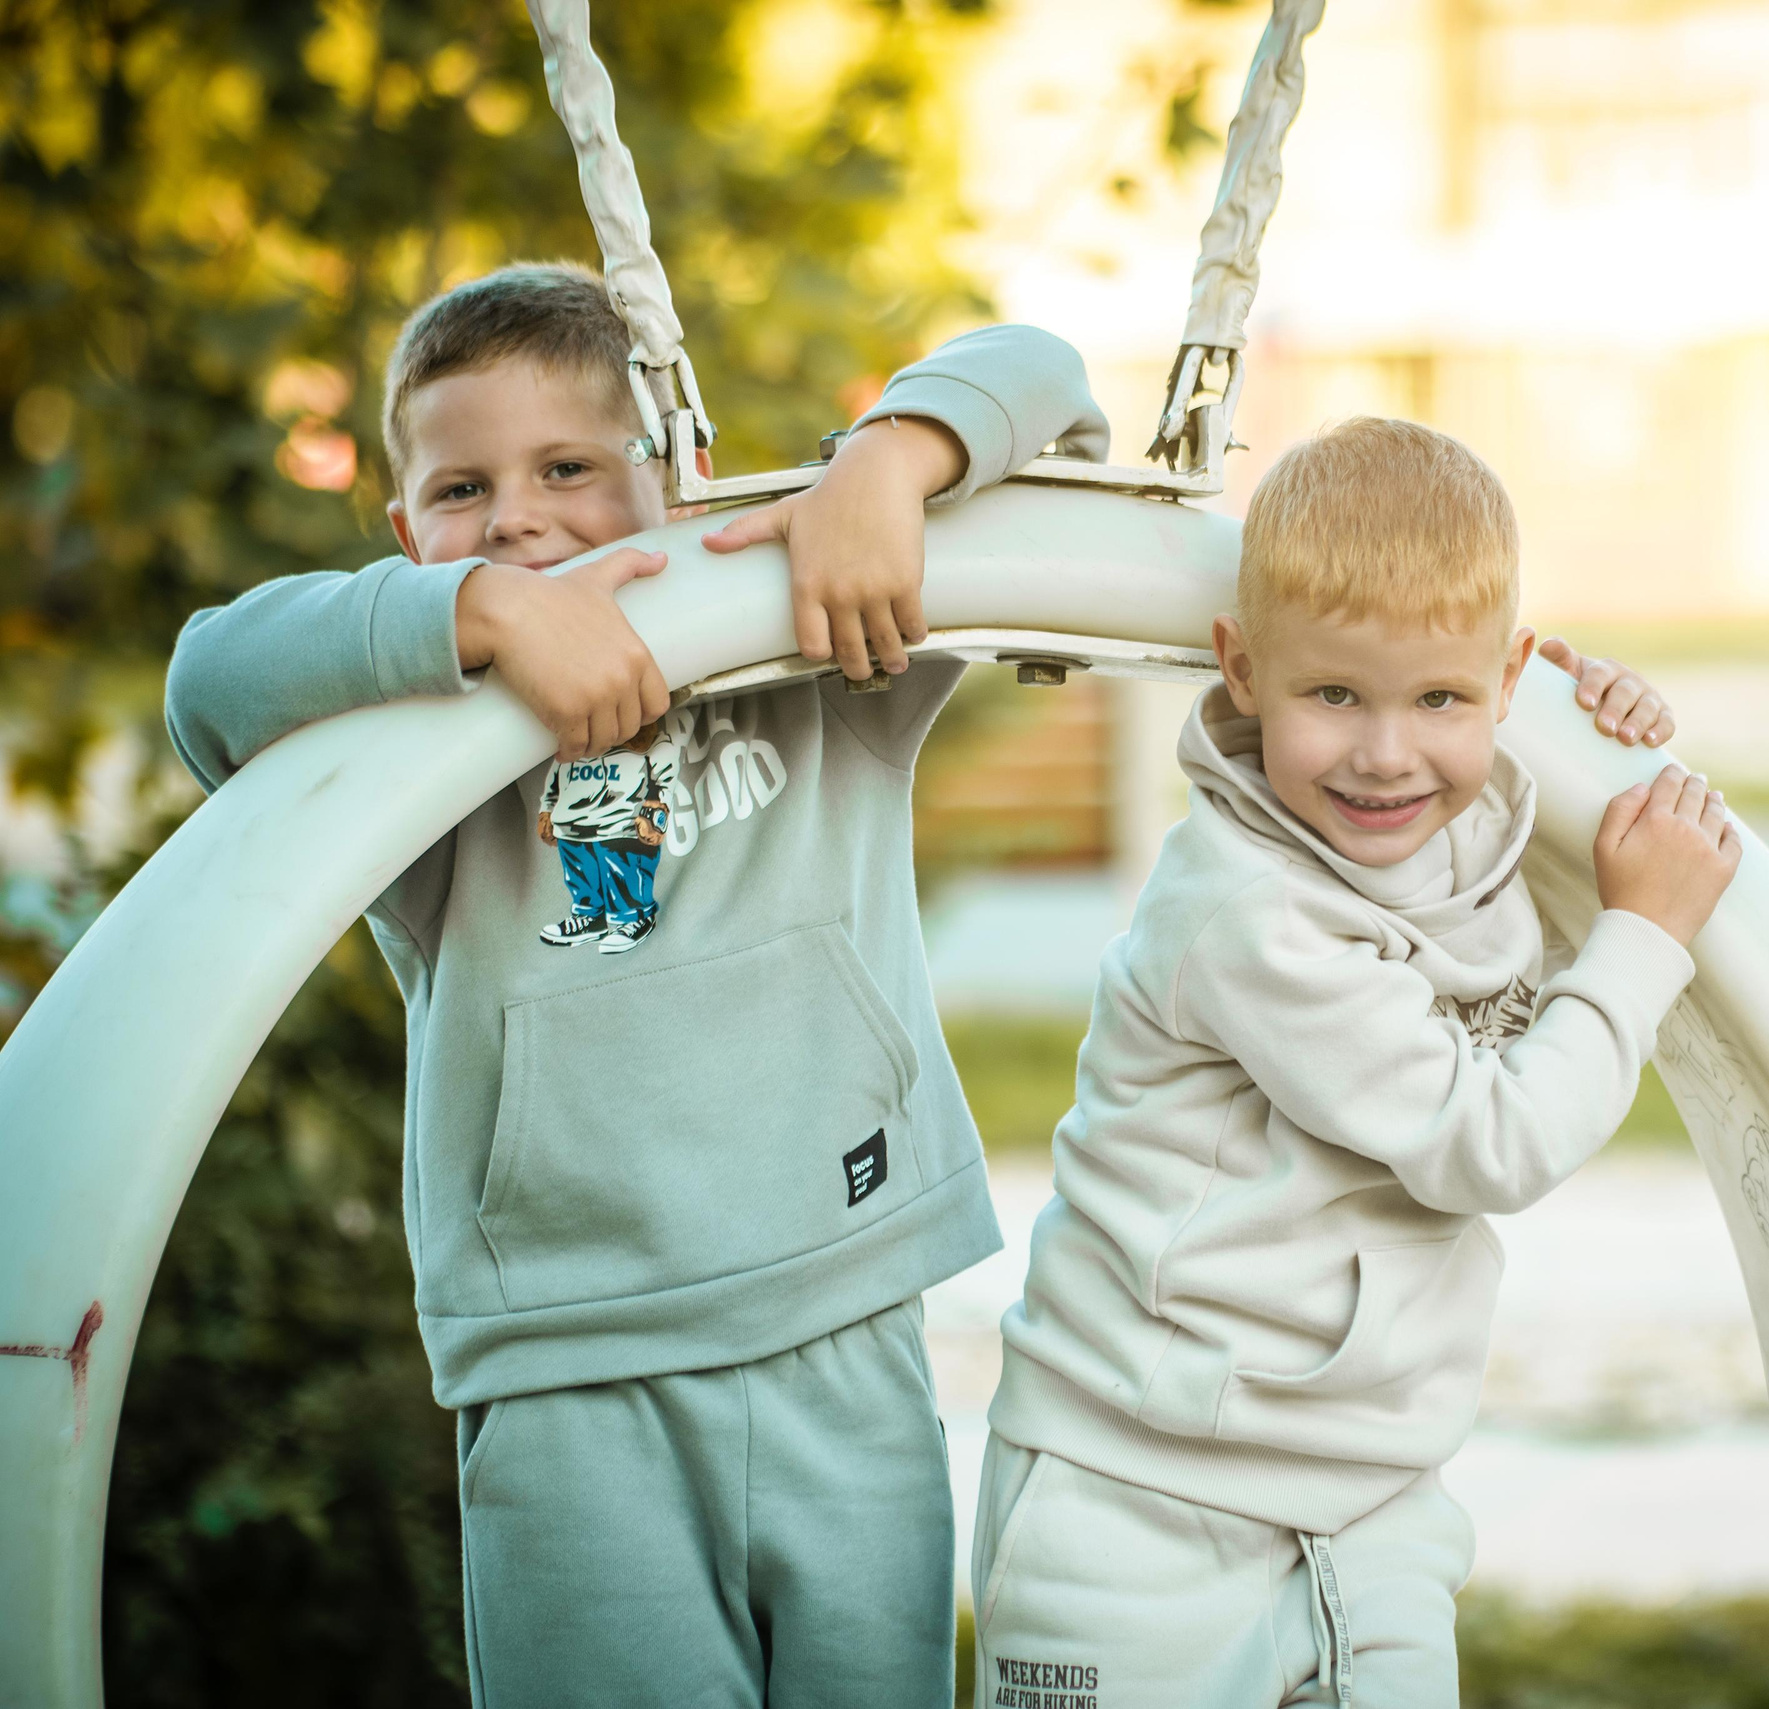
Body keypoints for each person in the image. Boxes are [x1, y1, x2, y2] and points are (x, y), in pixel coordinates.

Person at [163, 261, 1107, 1707]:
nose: (522, 514)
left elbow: (1046, 372)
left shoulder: (812, 644)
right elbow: (208, 683)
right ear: (406, 530)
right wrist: (482, 612)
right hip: (565, 1367)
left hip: (838, 1318)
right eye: (463, 492)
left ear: (680, 470)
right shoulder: (420, 765)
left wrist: (887, 460)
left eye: (569, 467)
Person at [972, 417, 1743, 1707]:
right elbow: (1489, 1142)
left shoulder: (1458, 822)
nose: (1385, 753)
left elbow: (1501, 912)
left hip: (1371, 1497)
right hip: (1137, 1502)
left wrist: (1592, 728)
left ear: (1508, 678)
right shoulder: (1247, 908)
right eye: (1333, 695)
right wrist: (1644, 935)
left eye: (1439, 698)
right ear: (1241, 666)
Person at [536, 715, 676, 952]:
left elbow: (664, 775)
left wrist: (655, 812)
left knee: (625, 872)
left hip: (622, 825)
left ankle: (634, 917)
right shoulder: (571, 743)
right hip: (571, 826)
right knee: (581, 875)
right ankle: (590, 917)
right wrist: (548, 810)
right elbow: (554, 781)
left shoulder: (654, 746)